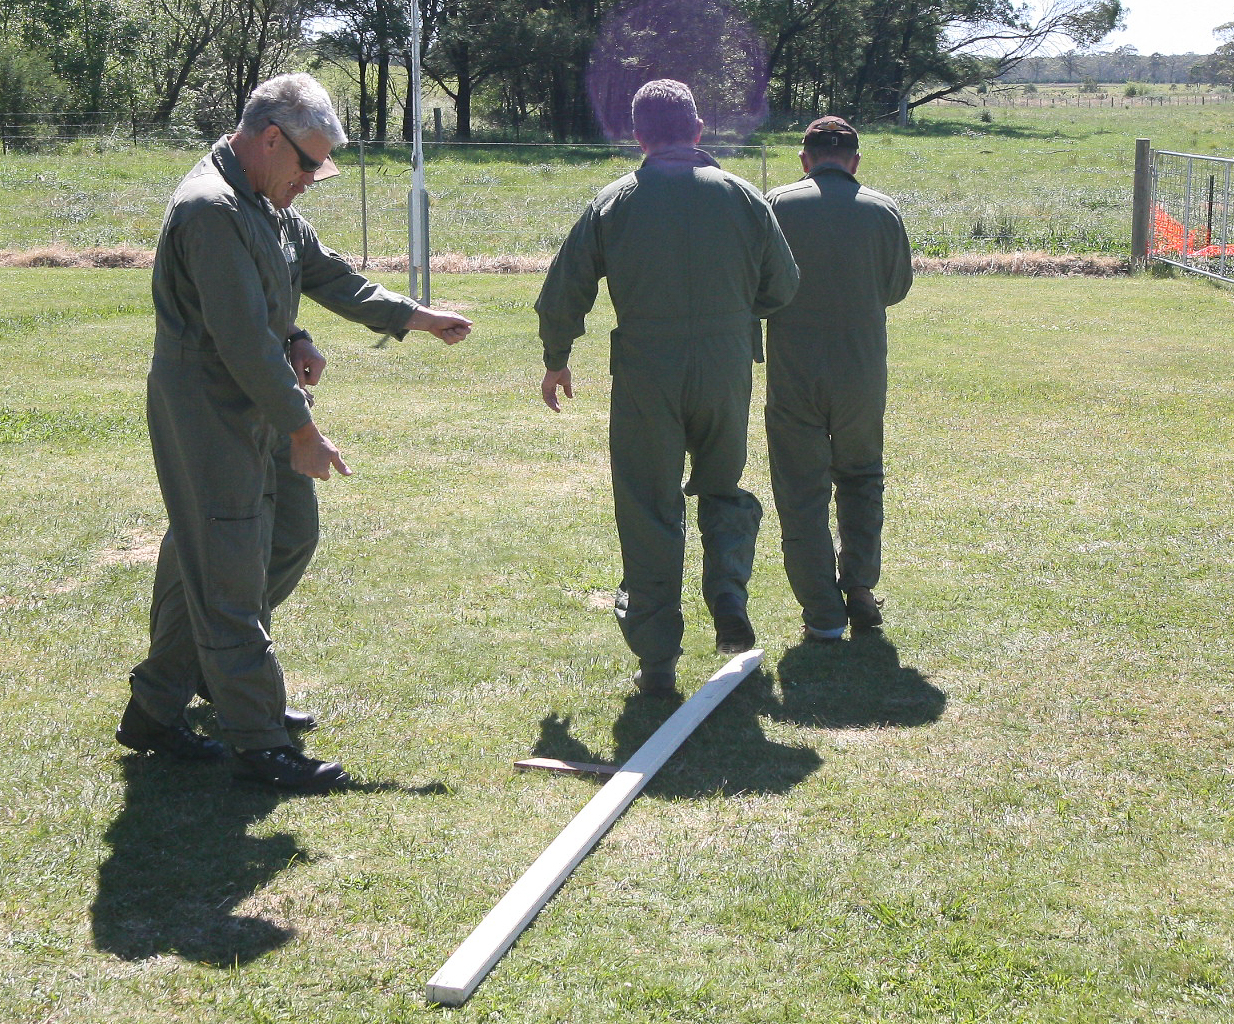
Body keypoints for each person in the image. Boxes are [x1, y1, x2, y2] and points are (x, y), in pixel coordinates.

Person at [117, 73, 472, 792]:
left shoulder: (265, 200)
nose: (314, 179)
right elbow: (242, 338)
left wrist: (413, 317)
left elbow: (320, 275)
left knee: (277, 538)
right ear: (272, 140)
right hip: (210, 403)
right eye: (310, 163)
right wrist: (303, 430)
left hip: (257, 393)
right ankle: (259, 742)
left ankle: (162, 705)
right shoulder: (211, 208)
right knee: (227, 566)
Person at [536, 79, 799, 695]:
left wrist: (557, 357)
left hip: (646, 368)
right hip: (726, 362)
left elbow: (565, 288)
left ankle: (657, 659)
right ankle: (728, 595)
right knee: (723, 487)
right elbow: (784, 284)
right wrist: (736, 312)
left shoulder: (615, 200)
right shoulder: (743, 195)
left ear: (638, 136)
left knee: (648, 505)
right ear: (698, 130)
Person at [764, 116, 912, 640]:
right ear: (855, 161)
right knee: (861, 475)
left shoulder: (777, 205)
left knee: (801, 489)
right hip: (860, 370)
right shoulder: (882, 209)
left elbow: (760, 286)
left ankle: (822, 612)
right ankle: (861, 587)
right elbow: (895, 288)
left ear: (805, 159)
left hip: (794, 370)